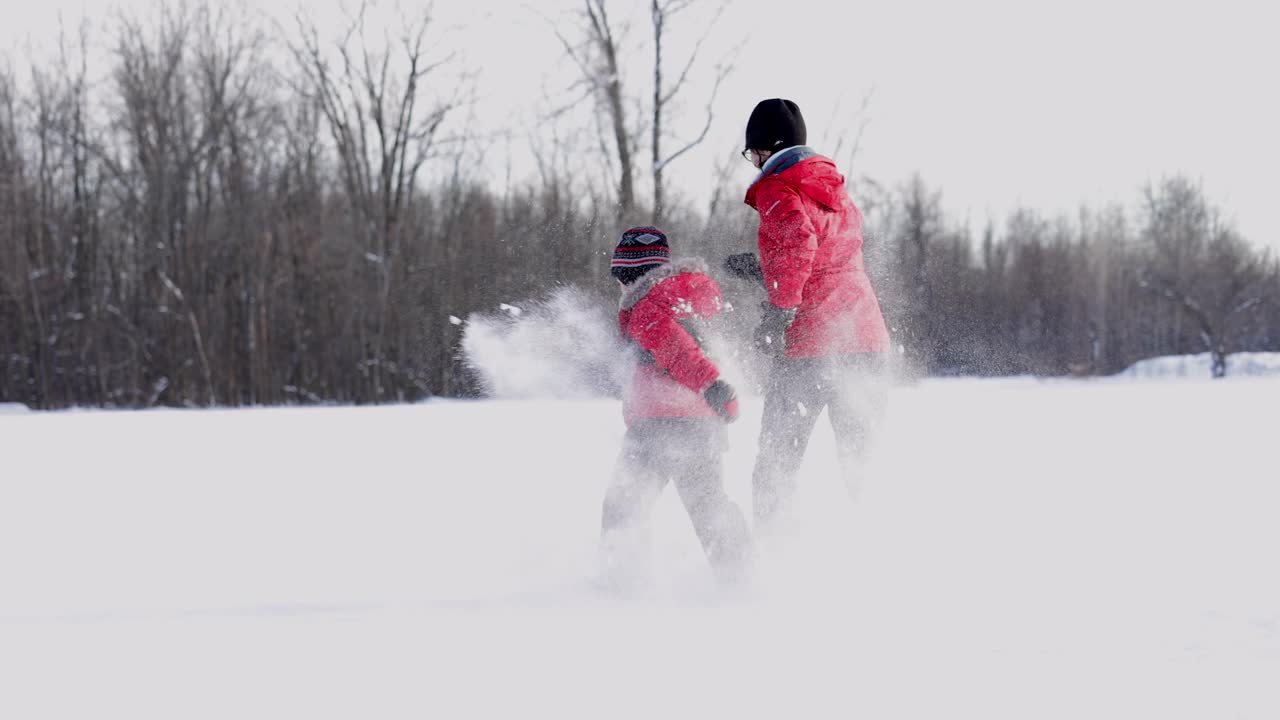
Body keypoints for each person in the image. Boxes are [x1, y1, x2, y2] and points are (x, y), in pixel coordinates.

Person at [739, 98, 892, 532]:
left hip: (812, 348)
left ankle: (772, 557)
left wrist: (779, 312)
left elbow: (800, 247)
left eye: (752, 152)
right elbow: (828, 255)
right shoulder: (835, 191)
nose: (752, 162)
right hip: (864, 341)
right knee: (860, 464)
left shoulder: (777, 186)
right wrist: (763, 269)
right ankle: (878, 542)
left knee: (776, 463)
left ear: (768, 148)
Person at [600, 226, 753, 588]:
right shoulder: (681, 296)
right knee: (709, 507)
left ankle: (619, 582)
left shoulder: (646, 307)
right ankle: (741, 578)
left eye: (621, 276)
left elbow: (677, 351)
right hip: (701, 426)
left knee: (623, 507)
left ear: (633, 274)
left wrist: (713, 386)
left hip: (660, 427)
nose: (620, 287)